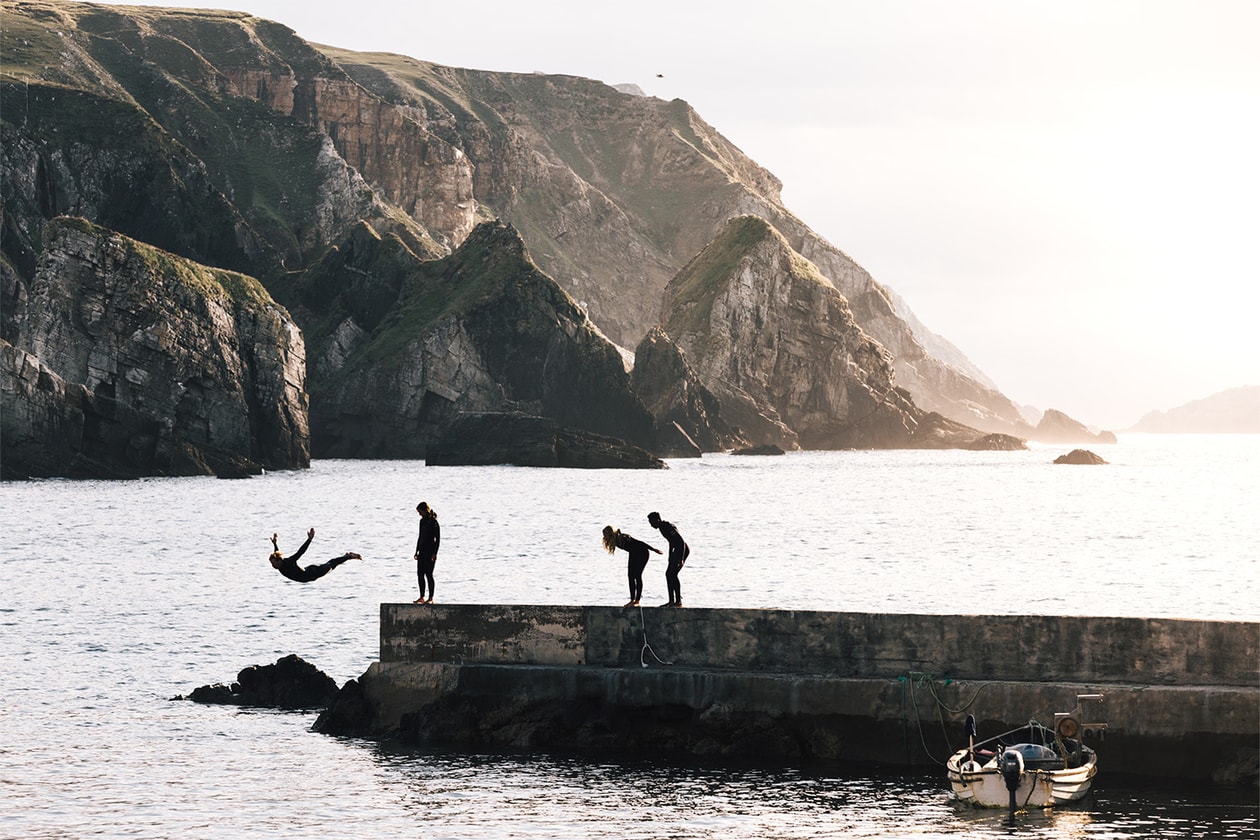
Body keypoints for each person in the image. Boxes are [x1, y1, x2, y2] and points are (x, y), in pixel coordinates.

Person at [269, 528, 360, 582]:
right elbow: (276, 553)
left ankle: (349, 556)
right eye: (272, 564)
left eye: (274, 563)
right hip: (308, 574)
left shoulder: (289, 562)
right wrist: (275, 544)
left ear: (279, 560)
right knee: (332, 565)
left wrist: (309, 540)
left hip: (314, 572)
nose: (273, 566)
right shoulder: (279, 563)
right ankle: (346, 556)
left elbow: (300, 552)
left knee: (332, 564)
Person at [602, 525, 661, 607]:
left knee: (637, 575)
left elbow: (640, 543)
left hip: (642, 552)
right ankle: (632, 600)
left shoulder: (622, 537)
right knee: (630, 576)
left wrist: (653, 549)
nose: (604, 537)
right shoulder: (614, 541)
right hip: (633, 553)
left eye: (605, 535)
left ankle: (637, 600)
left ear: (610, 534)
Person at [648, 511, 689, 607]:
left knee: (671, 574)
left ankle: (677, 601)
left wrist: (681, 558)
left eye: (652, 522)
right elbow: (671, 541)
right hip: (676, 550)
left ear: (657, 520)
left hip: (682, 549)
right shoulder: (661, 528)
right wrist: (670, 555)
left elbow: (681, 541)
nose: (651, 525)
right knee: (670, 574)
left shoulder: (667, 526)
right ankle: (672, 601)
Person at [414, 501, 440, 604]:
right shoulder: (422, 522)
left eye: (420, 512)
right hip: (422, 551)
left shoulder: (433, 522)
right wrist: (416, 551)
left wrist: (435, 553)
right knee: (420, 574)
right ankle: (421, 596)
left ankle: (431, 598)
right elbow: (420, 537)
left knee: (429, 574)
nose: (419, 514)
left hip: (430, 552)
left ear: (425, 510)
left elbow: (437, 539)